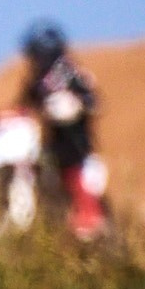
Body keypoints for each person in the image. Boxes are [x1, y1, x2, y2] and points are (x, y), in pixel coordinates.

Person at [17, 20, 108, 239]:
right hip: (51, 150)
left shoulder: (71, 75)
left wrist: (75, 105)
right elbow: (23, 107)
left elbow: (94, 103)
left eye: (36, 55)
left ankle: (89, 219)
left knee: (77, 185)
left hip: (75, 152)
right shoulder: (38, 81)